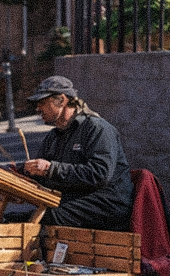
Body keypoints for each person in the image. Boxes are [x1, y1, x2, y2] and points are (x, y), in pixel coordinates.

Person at [13, 75, 134, 229]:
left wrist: (50, 168)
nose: (38, 108)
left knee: (49, 216)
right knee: (14, 218)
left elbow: (99, 174)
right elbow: (44, 176)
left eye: (43, 102)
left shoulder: (97, 128)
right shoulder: (54, 136)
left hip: (107, 203)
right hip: (76, 198)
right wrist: (24, 172)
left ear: (62, 100)